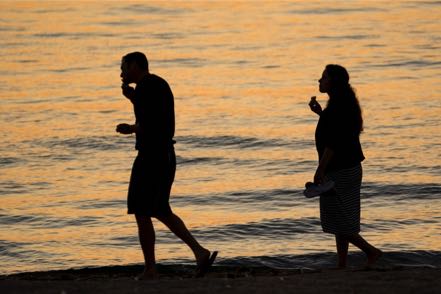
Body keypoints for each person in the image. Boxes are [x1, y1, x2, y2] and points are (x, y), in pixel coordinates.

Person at [116, 52, 217, 279]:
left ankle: (151, 268)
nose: (121, 72)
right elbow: (156, 115)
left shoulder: (146, 87)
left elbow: (150, 124)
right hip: (164, 155)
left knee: (142, 210)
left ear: (135, 66)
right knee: (159, 209)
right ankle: (199, 252)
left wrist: (130, 129)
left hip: (152, 155)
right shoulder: (155, 84)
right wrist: (133, 98)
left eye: (124, 67)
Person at [308, 64, 382, 268]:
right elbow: (336, 131)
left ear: (333, 82)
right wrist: (321, 113)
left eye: (323, 77)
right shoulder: (341, 105)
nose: (319, 80)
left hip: (340, 170)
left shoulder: (338, 107)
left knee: (338, 217)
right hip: (349, 168)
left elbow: (333, 143)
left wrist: (320, 169)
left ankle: (371, 252)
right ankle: (342, 264)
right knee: (340, 217)